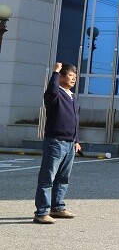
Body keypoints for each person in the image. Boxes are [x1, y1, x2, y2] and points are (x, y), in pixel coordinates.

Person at [34, 62, 81, 224]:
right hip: (55, 142)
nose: (74, 79)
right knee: (47, 178)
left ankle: (57, 207)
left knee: (63, 178)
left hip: (70, 143)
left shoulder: (72, 96)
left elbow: (75, 120)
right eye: (70, 75)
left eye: (75, 76)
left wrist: (76, 140)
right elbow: (52, 90)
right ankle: (41, 212)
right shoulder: (54, 94)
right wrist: (55, 71)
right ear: (61, 77)